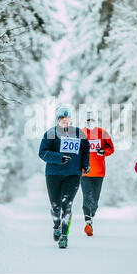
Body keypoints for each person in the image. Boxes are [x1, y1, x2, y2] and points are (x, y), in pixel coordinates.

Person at [38, 106, 90, 248]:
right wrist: (58, 158)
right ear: (58, 120)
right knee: (55, 206)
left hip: (73, 174)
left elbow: (86, 150)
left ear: (70, 119)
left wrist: (86, 164)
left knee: (67, 204)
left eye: (66, 118)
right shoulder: (50, 133)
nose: (64, 120)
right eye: (61, 118)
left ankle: (64, 235)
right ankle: (56, 225)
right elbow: (42, 153)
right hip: (53, 174)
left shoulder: (78, 133)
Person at [81, 112, 114, 236]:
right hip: (84, 172)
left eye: (92, 120)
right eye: (88, 120)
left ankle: (91, 214)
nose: (90, 122)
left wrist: (103, 151)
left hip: (99, 172)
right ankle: (88, 222)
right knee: (86, 197)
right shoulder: (80, 133)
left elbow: (111, 149)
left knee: (94, 200)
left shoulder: (103, 133)